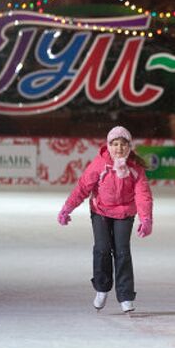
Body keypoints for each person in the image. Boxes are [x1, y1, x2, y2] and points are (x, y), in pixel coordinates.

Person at [57, 126, 153, 313]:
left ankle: (125, 296)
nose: (119, 148)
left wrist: (146, 218)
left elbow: (143, 194)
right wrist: (67, 209)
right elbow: (82, 188)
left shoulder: (135, 168)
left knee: (122, 252)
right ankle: (102, 288)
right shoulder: (99, 164)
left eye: (123, 144)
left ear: (129, 147)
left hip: (125, 213)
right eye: (115, 144)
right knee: (102, 249)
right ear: (108, 146)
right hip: (101, 211)